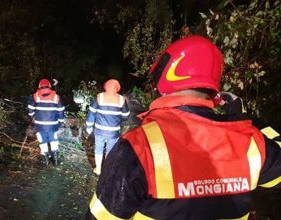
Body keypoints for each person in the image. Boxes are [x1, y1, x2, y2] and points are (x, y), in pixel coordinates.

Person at [86, 35, 281, 219]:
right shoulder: (250, 141)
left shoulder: (138, 146)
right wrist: (250, 121)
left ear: (166, 76)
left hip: (105, 133)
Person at [85, 79, 130, 175]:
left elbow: (92, 112)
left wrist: (89, 126)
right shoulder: (121, 99)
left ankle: (98, 169)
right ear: (117, 88)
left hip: (100, 130)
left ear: (106, 86)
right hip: (113, 132)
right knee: (110, 150)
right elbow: (126, 115)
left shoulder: (100, 97)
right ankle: (107, 170)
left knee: (98, 149)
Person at [28, 79, 65, 166]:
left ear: (39, 86)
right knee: (53, 140)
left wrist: (32, 116)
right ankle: (55, 160)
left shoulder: (35, 96)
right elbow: (60, 110)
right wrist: (61, 121)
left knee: (42, 141)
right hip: (53, 124)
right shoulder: (56, 97)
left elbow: (30, 108)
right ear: (49, 86)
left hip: (40, 124)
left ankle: (46, 160)